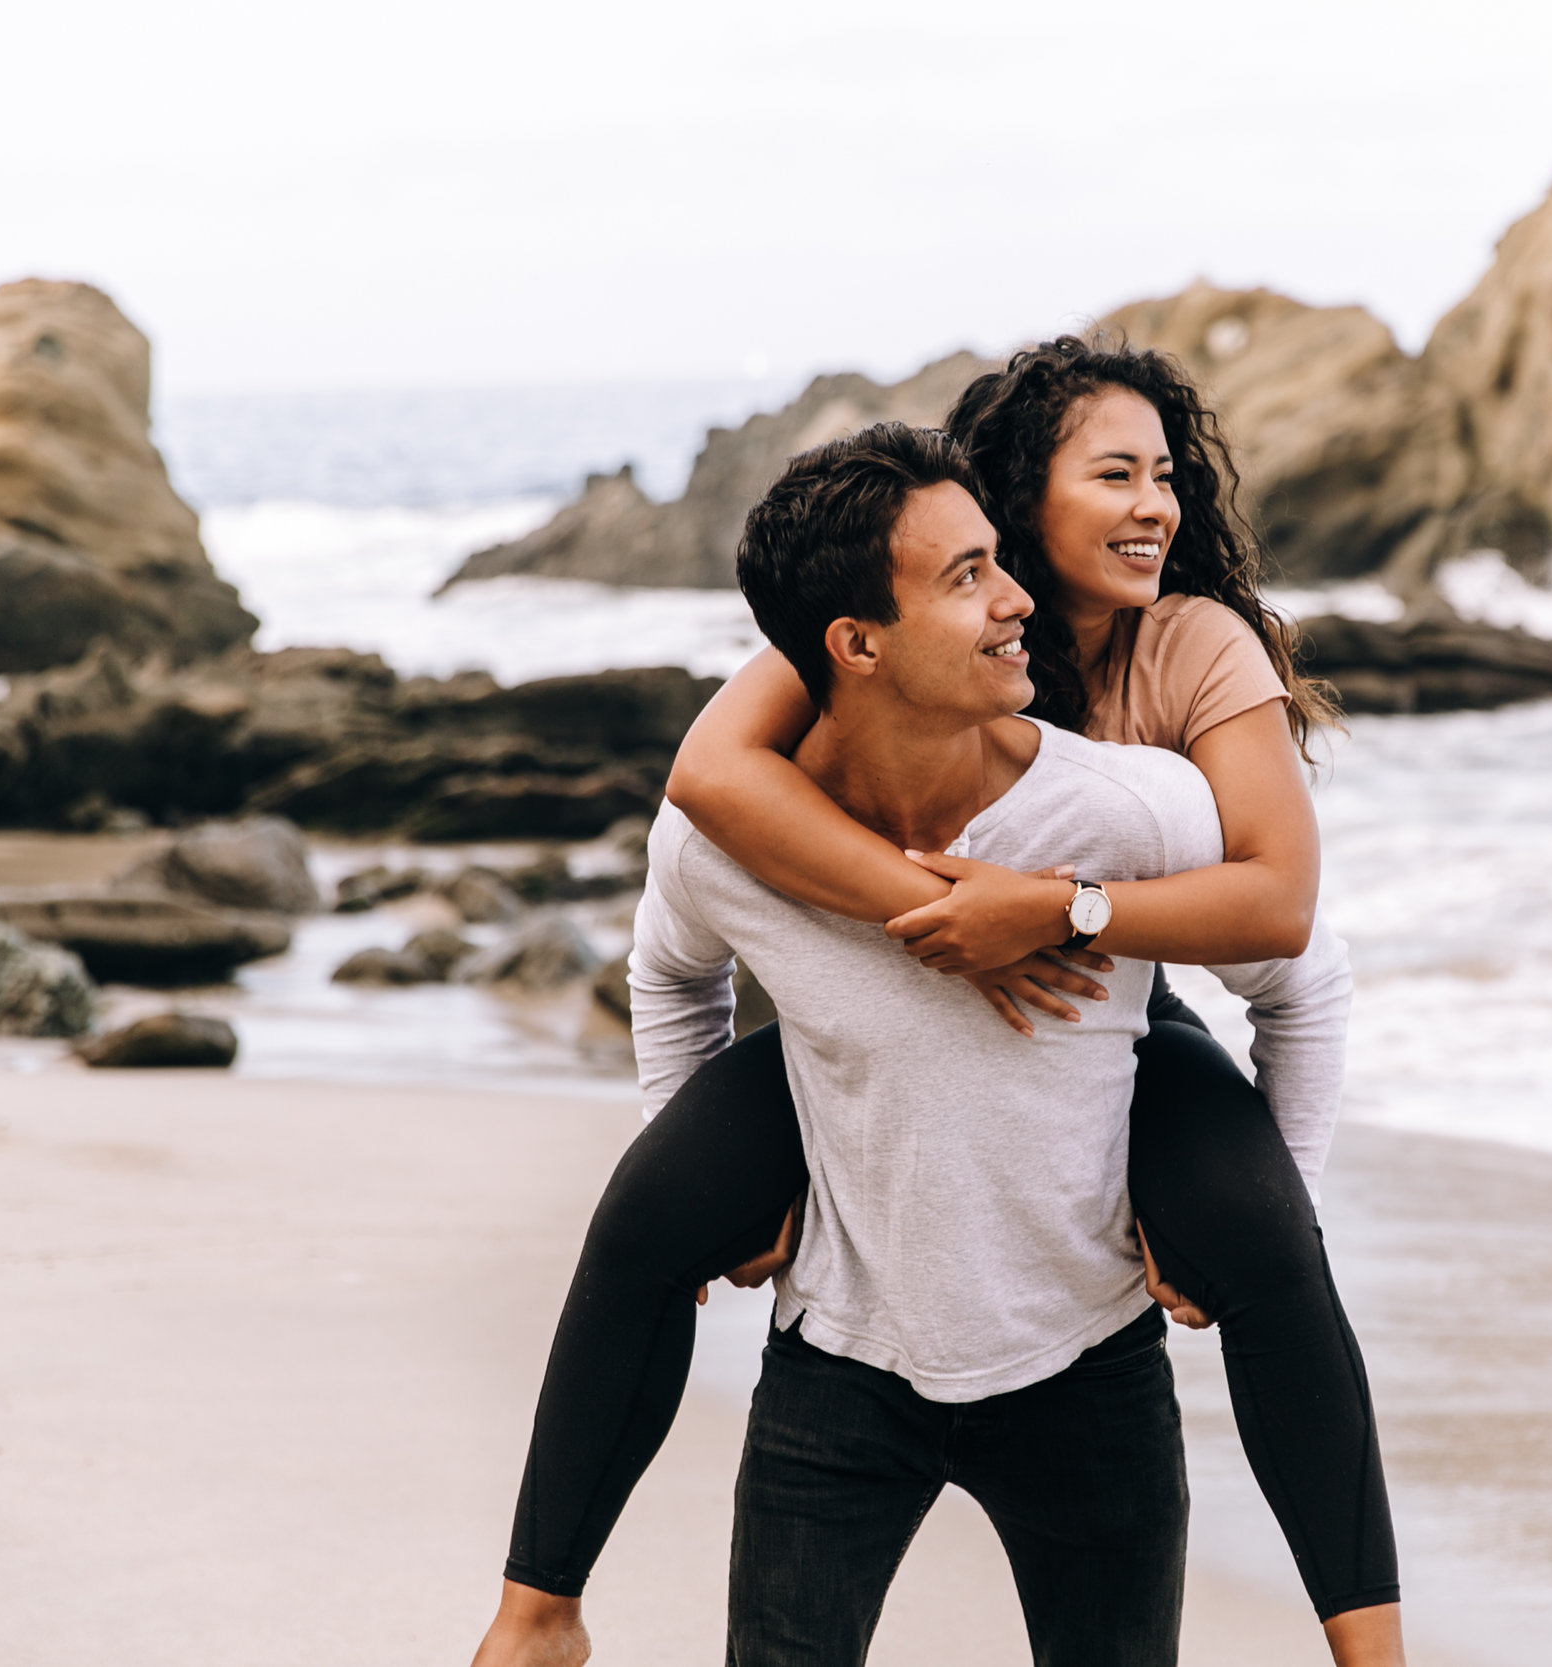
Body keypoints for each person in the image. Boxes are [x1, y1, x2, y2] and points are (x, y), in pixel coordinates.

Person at [475, 344, 1402, 1666]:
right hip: (877, 1008)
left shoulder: (1189, 647)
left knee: (1268, 1239)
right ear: (1018, 505)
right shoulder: (879, 619)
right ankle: (535, 1615)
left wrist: (1051, 913)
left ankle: (1372, 1647)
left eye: (1166, 476)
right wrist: (923, 913)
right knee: (650, 1209)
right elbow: (709, 782)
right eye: (1116, 476)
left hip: (1119, 991)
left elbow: (1283, 917)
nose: (1156, 506)